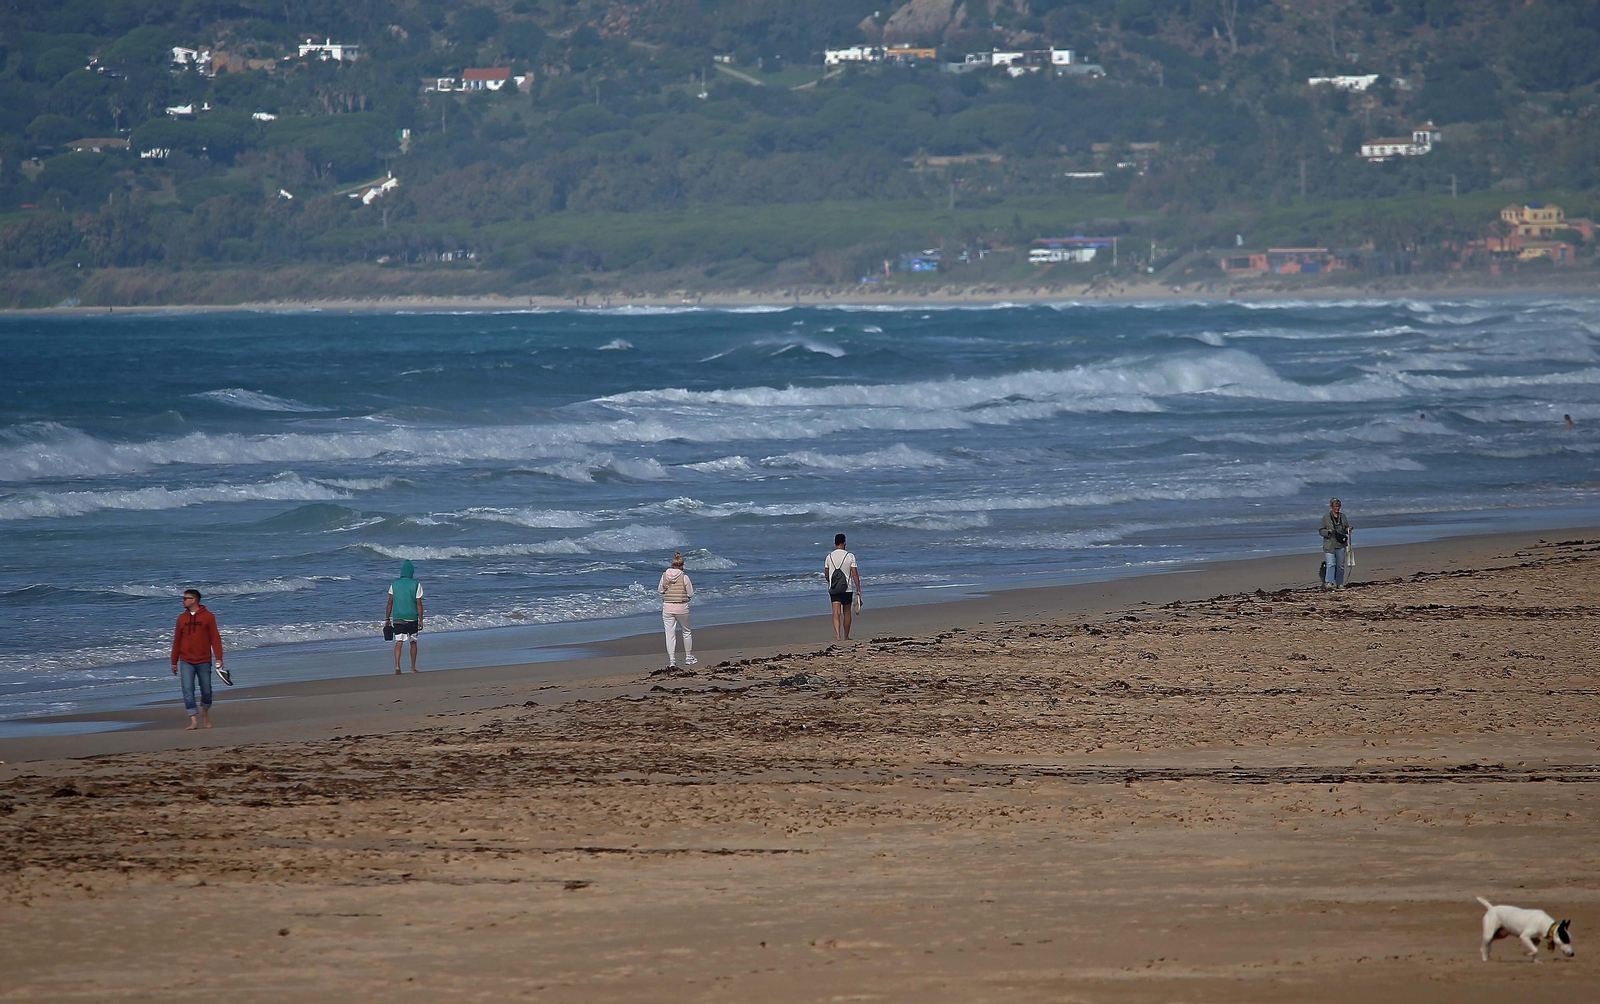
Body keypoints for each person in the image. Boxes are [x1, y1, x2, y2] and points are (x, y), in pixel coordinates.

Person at [170, 588, 225, 730]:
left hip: (204, 659)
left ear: (193, 600)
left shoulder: (208, 616)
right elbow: (177, 641)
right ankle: (193, 720)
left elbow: (215, 638)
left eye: (185, 598)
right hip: (186, 660)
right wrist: (174, 661)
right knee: (188, 689)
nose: (183, 600)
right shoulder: (181, 618)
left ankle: (205, 713)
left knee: (206, 690)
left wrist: (219, 658)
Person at [657, 551, 696, 668]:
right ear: (682, 565)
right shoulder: (685, 577)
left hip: (667, 607)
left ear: (672, 564)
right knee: (686, 631)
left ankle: (672, 660)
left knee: (669, 634)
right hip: (682, 607)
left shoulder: (664, 575)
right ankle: (688, 657)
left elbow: (660, 590)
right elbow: (691, 593)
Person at [384, 559, 424, 674]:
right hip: (412, 617)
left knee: (399, 641)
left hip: (398, 617)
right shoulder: (416, 584)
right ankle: (412, 668)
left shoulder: (394, 584)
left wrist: (387, 618)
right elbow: (419, 604)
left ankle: (397, 666)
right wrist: (421, 620)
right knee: (413, 642)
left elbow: (390, 602)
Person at [824, 533, 862, 641]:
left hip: (834, 588)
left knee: (836, 612)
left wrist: (831, 582)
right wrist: (858, 589)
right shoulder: (850, 556)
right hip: (847, 588)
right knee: (847, 612)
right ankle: (846, 636)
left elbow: (826, 575)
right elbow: (854, 574)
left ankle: (837, 635)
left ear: (834, 543)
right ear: (845, 542)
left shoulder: (829, 556)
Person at [1318, 498, 1353, 591]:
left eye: (1338, 506)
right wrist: (1328, 531)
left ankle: (1339, 583)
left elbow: (1345, 529)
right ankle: (1329, 583)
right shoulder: (1326, 517)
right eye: (1335, 506)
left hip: (1340, 544)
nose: (1337, 508)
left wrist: (1348, 529)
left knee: (1340, 565)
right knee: (1331, 564)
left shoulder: (1343, 516)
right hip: (1329, 545)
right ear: (1331, 507)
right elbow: (1321, 531)